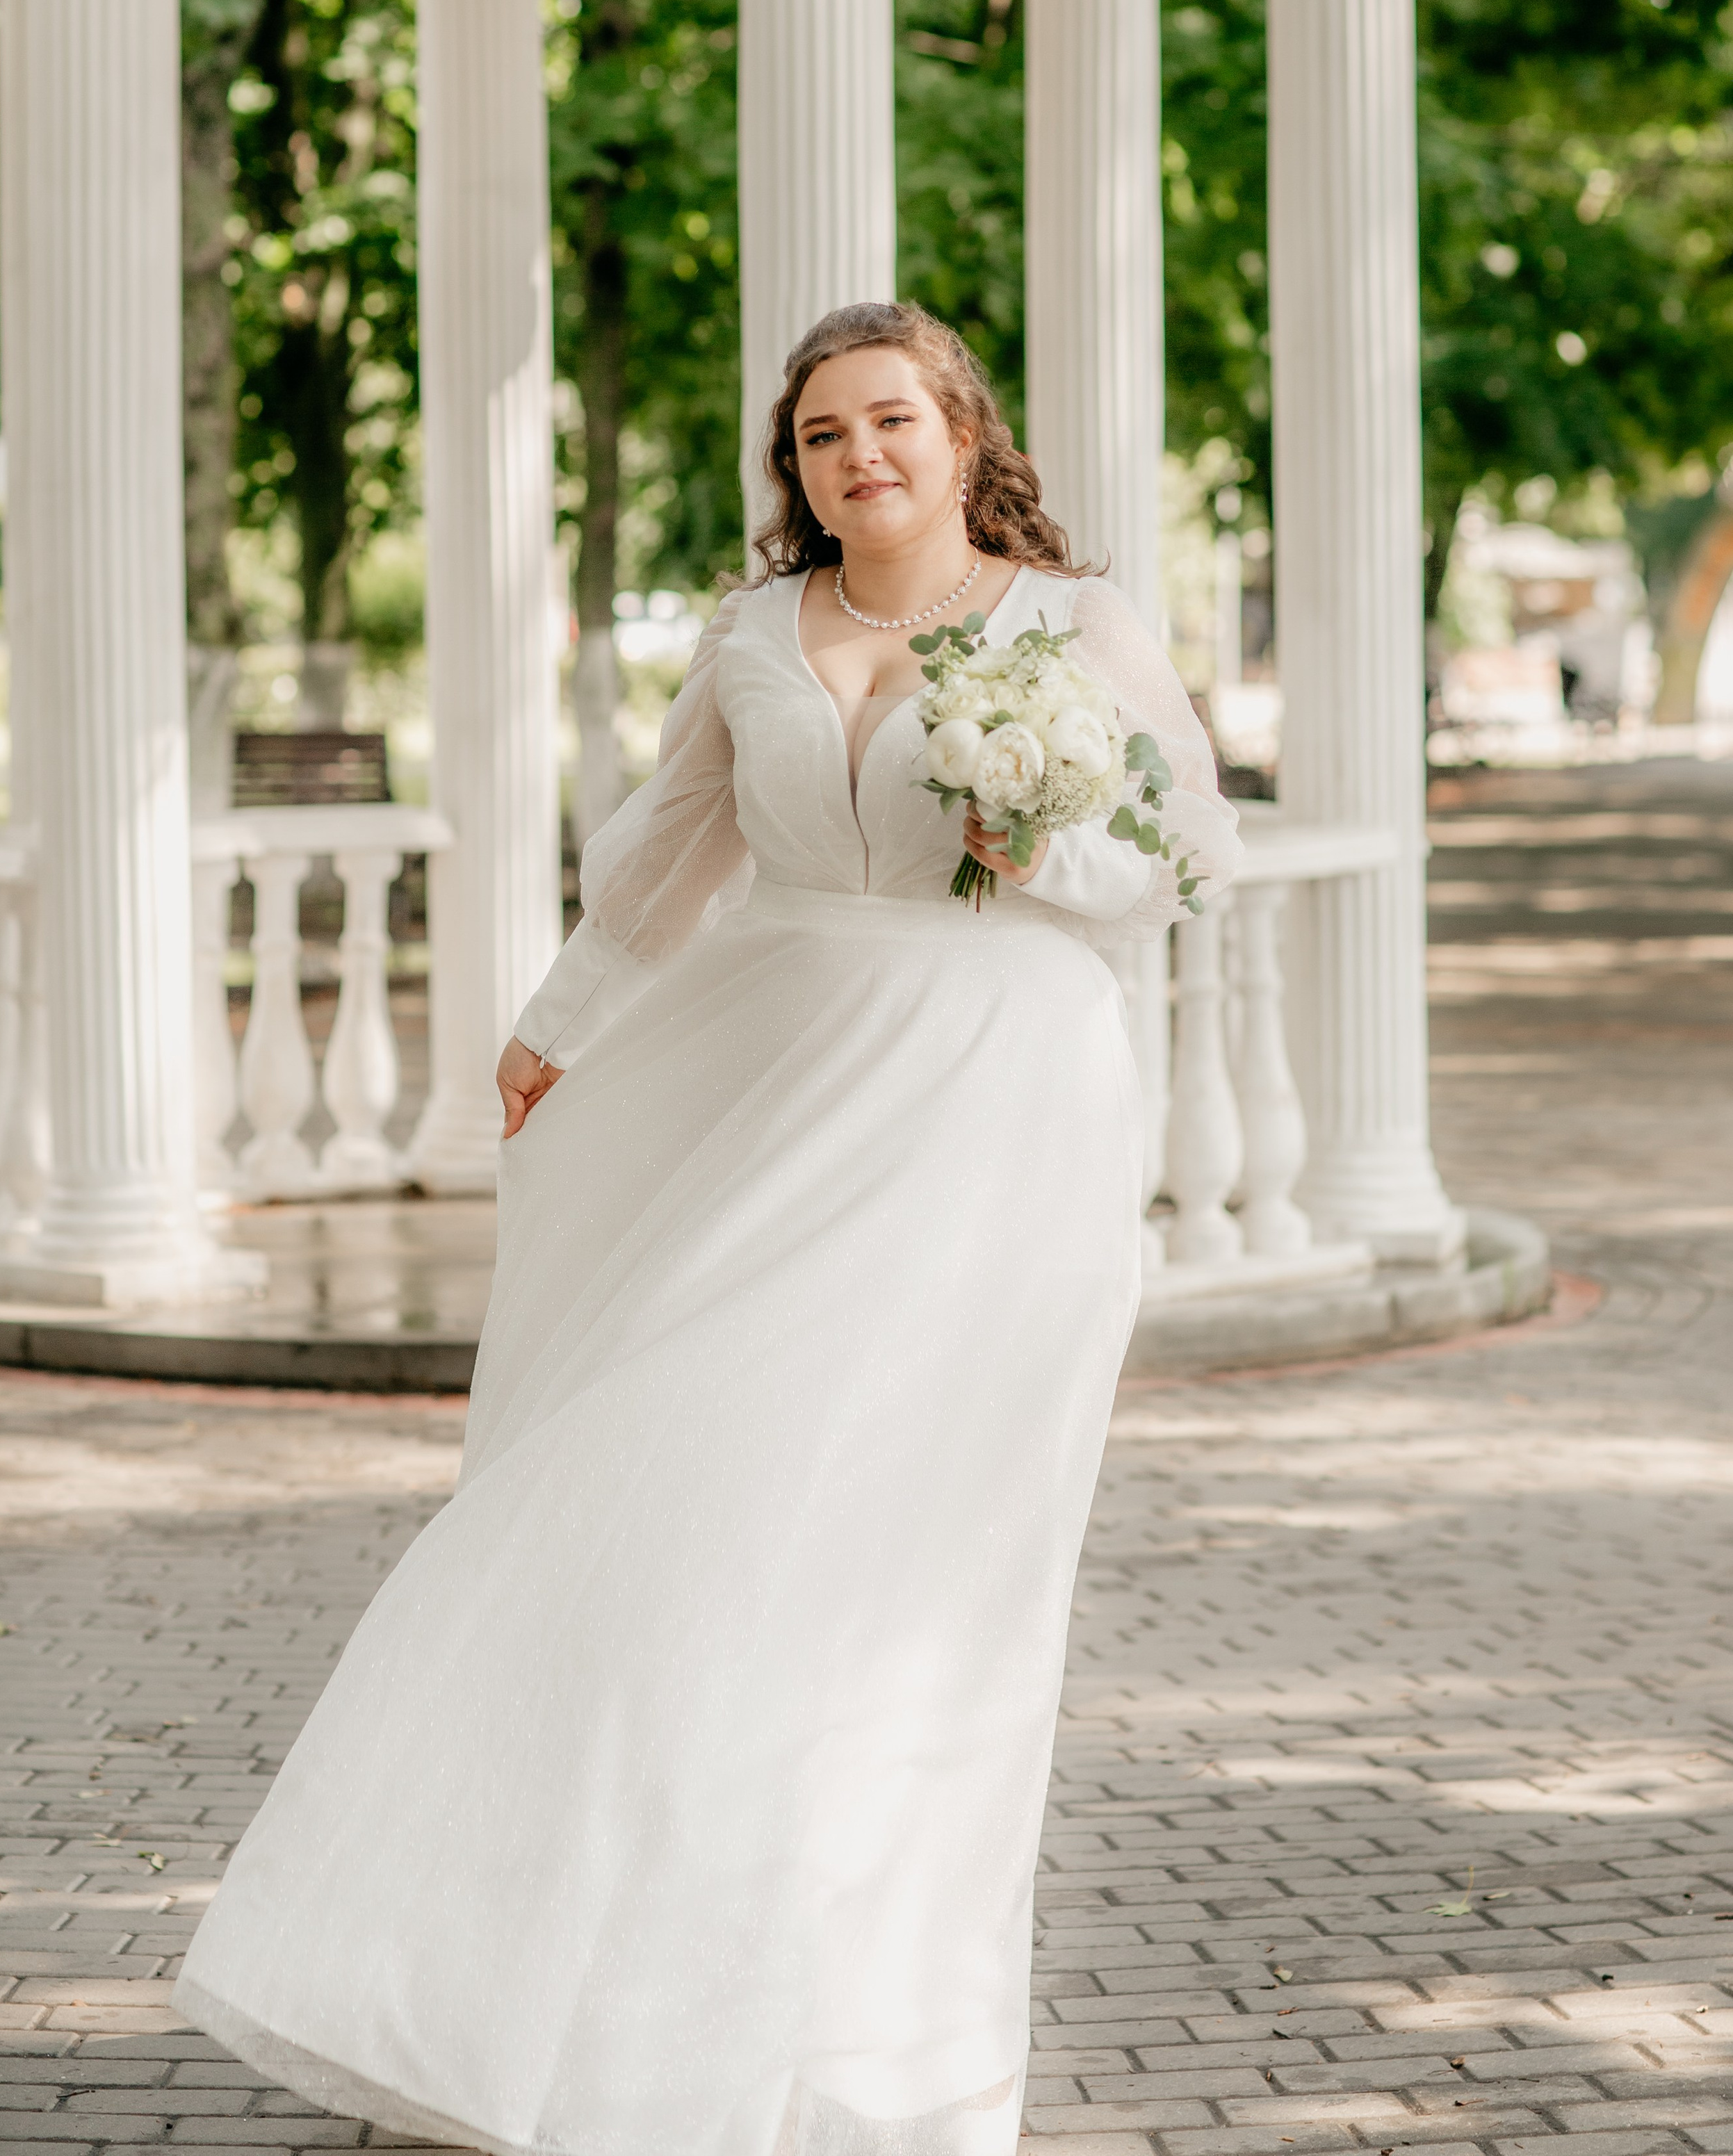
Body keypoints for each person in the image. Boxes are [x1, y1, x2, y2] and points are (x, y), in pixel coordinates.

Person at [174, 300, 1240, 2156]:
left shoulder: (1077, 626)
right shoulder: (759, 631)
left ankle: (880, 2063)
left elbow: (1183, 853)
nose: (861, 461)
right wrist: (551, 1030)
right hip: (785, 1082)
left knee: (911, 1580)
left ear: (962, 431)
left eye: (892, 422)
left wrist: (1030, 840)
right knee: (678, 1508)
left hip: (999, 1106)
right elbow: (673, 852)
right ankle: (587, 2015)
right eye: (824, 436)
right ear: (795, 467)